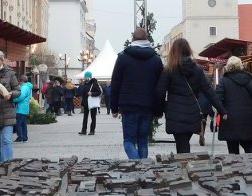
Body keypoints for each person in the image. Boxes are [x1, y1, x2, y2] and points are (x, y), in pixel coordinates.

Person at [155, 38, 227, 154]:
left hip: (175, 114)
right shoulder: (197, 70)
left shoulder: (169, 70)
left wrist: (159, 112)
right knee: (183, 145)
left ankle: (184, 164)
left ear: (173, 51)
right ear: (188, 50)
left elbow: (160, 93)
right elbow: (208, 91)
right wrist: (222, 110)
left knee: (182, 146)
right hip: (192, 113)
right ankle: (183, 163)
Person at [110, 27, 164, 159]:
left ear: (132, 39)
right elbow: (160, 88)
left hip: (128, 106)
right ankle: (143, 168)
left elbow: (115, 84)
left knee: (129, 141)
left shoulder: (123, 58)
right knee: (143, 142)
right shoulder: (156, 60)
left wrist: (114, 108)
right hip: (148, 106)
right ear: (147, 39)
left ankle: (138, 166)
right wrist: (158, 110)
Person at [216, 56, 252, 154]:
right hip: (248, 118)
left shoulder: (223, 80)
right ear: (241, 66)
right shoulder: (249, 80)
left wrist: (221, 112)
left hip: (229, 118)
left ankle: (236, 164)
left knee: (232, 149)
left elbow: (218, 99)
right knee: (248, 145)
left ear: (228, 66)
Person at [78, 71, 102, 136]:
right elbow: (82, 93)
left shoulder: (94, 83)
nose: (84, 78)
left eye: (85, 76)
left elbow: (99, 92)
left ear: (88, 77)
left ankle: (92, 130)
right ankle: (83, 130)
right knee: (85, 116)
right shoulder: (84, 83)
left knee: (93, 116)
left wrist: (92, 93)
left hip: (92, 102)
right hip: (86, 102)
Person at [13, 75, 32, 142]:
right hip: (25, 107)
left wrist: (14, 100)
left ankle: (20, 137)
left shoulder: (24, 87)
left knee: (18, 123)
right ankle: (25, 137)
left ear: (21, 81)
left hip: (20, 108)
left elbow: (21, 96)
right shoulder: (28, 86)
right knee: (23, 124)